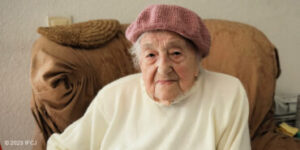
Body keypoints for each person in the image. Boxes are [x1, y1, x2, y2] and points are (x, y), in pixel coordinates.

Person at [47, 4, 251, 150]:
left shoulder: (227, 93)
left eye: (176, 54)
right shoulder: (114, 96)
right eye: (151, 55)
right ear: (140, 64)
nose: (163, 68)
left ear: (198, 60)